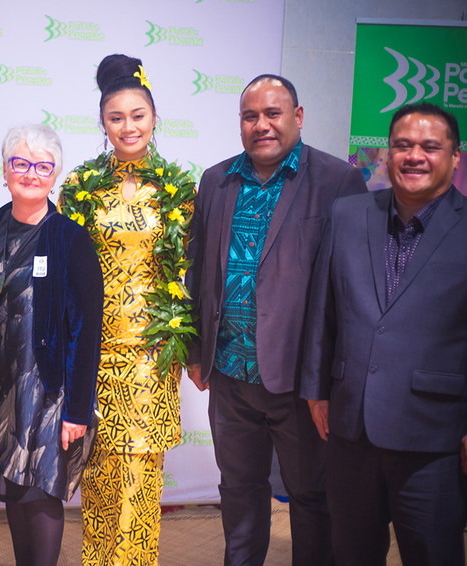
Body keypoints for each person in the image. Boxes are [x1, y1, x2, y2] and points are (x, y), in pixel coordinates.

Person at [184, 74, 367, 566]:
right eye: (250, 116)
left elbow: (349, 288)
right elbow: (199, 269)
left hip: (299, 383)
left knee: (311, 498)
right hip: (229, 374)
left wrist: (327, 381)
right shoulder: (216, 180)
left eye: (273, 114)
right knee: (239, 491)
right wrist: (197, 352)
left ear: (298, 117)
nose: (261, 125)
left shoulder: (337, 180)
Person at [302, 102, 466, 565]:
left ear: (455, 157)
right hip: (351, 431)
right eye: (402, 145)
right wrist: (316, 390)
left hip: (434, 439)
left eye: (430, 147)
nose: (414, 155)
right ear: (387, 154)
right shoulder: (349, 214)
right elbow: (323, 310)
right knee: (350, 553)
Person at [59, 54, 195, 565]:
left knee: (141, 478)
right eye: (116, 117)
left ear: (154, 117)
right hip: (93, 353)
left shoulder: (178, 191)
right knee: (99, 475)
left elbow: (194, 275)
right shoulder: (79, 188)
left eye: (138, 114)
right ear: (102, 123)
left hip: (152, 357)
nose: (128, 126)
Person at [0, 124, 103, 566]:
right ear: (4, 170)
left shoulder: (70, 239)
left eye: (43, 166)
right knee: (14, 492)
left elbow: (87, 329)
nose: (31, 173)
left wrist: (77, 410)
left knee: (41, 492)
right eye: (20, 163)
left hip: (47, 393)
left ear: (55, 174)